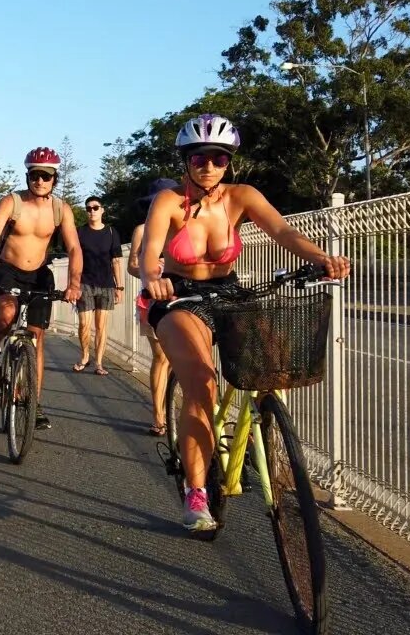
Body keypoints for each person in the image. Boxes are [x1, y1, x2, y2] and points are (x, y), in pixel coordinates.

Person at [140, 114, 350, 533]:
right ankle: (196, 493)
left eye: (218, 158)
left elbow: (283, 231)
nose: (209, 165)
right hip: (179, 296)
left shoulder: (241, 196)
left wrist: (320, 258)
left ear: (229, 161)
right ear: (186, 160)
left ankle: (265, 435)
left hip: (228, 291)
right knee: (202, 383)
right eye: (200, 157)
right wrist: (153, 277)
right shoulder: (167, 202)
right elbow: (149, 253)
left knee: (274, 363)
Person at [0, 146, 83, 430]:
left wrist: (73, 283)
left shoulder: (61, 210)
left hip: (38, 276)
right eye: (35, 175)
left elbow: (74, 247)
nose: (40, 181)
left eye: (46, 176)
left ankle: (32, 403)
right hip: (7, 272)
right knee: (7, 316)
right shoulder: (12, 202)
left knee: (37, 337)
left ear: (54, 179)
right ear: (27, 176)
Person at [127, 178, 178, 436]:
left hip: (182, 297)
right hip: (152, 299)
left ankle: (172, 408)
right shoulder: (141, 230)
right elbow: (131, 266)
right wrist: (151, 274)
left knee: (179, 359)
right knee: (162, 357)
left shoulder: (183, 226)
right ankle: (159, 415)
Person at [72, 195, 124, 375]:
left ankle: (99, 362)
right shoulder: (79, 232)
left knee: (101, 326)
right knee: (84, 325)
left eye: (95, 207)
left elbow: (116, 261)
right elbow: (73, 259)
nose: (92, 211)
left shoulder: (111, 232)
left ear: (102, 210)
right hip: (84, 283)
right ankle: (85, 356)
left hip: (107, 284)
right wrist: (73, 284)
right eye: (88, 208)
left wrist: (120, 287)